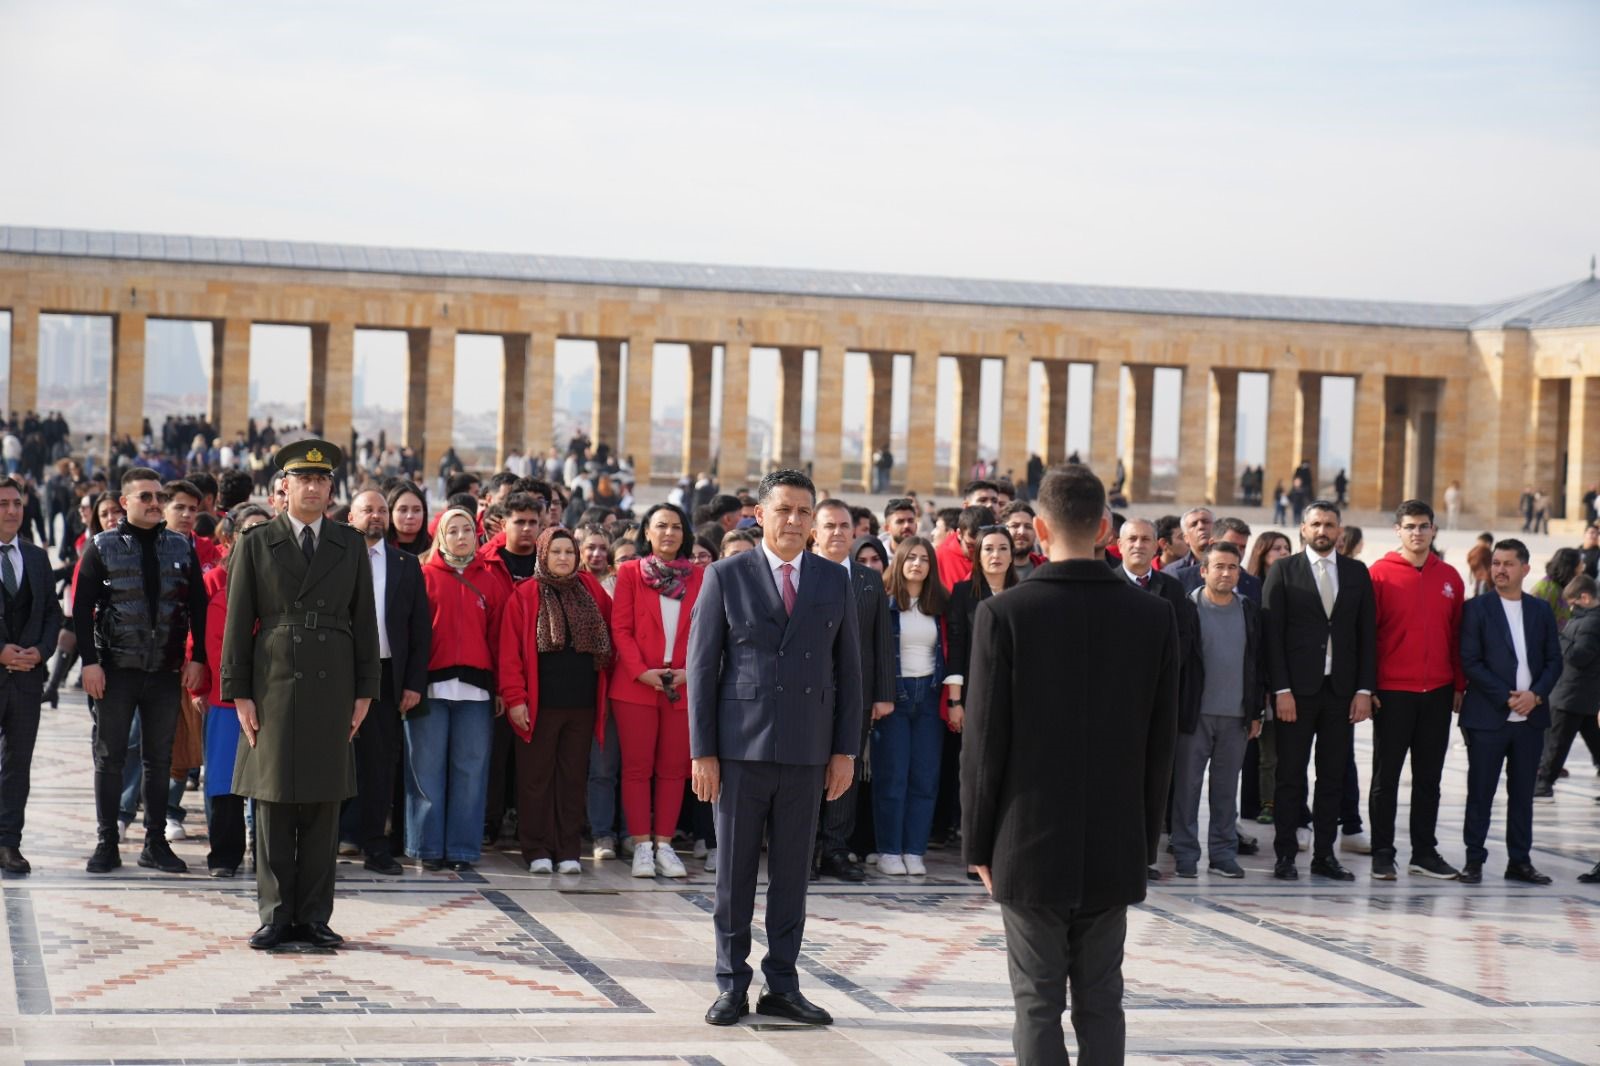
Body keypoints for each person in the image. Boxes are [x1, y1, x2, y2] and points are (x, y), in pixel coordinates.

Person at [961, 464, 1178, 1064]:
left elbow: (983, 744)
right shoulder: (1153, 616)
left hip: (1027, 841)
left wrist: (978, 845)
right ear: (1107, 528)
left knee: (1036, 1002)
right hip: (1115, 839)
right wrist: (1144, 838)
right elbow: (1162, 747)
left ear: (1036, 529)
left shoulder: (1005, 615)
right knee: (1103, 999)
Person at [687, 469, 861, 1028]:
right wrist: (703, 752)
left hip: (808, 751)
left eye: (803, 512)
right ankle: (731, 984)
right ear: (759, 515)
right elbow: (701, 668)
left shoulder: (834, 581)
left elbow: (850, 673)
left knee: (792, 875)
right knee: (733, 876)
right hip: (740, 750)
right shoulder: (725, 575)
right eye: (783, 510)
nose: (794, 521)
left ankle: (782, 983)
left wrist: (844, 751)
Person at [222, 440, 380, 949]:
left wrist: (365, 691)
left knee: (322, 802)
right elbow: (237, 622)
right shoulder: (255, 542)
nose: (313, 488)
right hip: (273, 679)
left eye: (322, 480)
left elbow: (365, 624)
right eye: (303, 480)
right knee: (271, 801)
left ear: (332, 489)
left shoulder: (348, 544)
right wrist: (239, 693)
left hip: (333, 680)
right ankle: (274, 913)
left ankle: (313, 915)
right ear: (283, 488)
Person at [76, 466, 208, 875]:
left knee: (159, 758)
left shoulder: (180, 547)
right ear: (125, 504)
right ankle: (107, 842)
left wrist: (198, 658)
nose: (155, 504)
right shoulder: (101, 546)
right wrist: (90, 664)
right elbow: (82, 610)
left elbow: (198, 607)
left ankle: (154, 842)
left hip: (166, 670)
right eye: (146, 497)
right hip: (117, 670)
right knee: (110, 756)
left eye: (158, 497)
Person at [1261, 500, 1376, 882]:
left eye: (1329, 524)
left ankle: (1325, 855)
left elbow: (1366, 636)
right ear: (1304, 529)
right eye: (1316, 524)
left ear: (1340, 530)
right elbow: (1271, 636)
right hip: (1297, 692)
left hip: (1340, 693)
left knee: (1332, 776)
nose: (1323, 531)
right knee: (1290, 775)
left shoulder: (1357, 573)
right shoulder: (1284, 570)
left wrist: (1363, 689)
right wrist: (1280, 690)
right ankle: (1285, 855)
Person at [499, 527, 614, 875]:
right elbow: (509, 655)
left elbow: (614, 627)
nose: (563, 558)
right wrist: (515, 699)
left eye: (569, 552)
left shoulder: (590, 588)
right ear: (543, 555)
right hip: (539, 706)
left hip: (582, 704)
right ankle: (536, 849)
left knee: (572, 779)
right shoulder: (525, 594)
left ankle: (567, 850)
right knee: (536, 780)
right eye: (556, 552)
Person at [1365, 501, 1465, 881]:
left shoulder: (1450, 578)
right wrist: (1368, 687)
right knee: (1385, 777)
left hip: (1437, 691)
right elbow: (1367, 636)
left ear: (1434, 530)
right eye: (1410, 526)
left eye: (1424, 526)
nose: (1417, 533)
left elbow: (1457, 635)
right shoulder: (1379, 575)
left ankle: (1424, 851)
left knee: (1429, 778)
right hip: (1392, 692)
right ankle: (1382, 852)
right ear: (1398, 530)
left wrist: (1458, 683)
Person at [408, 507, 509, 873]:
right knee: (426, 770)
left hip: (477, 691)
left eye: (468, 529)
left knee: (471, 771)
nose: (462, 536)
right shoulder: (423, 575)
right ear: (441, 536)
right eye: (454, 530)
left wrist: (501, 687)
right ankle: (427, 846)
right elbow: (412, 635)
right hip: (430, 688)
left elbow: (500, 639)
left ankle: (462, 849)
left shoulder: (491, 579)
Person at [1458, 539, 1560, 886]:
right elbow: (1470, 661)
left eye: (1508, 564)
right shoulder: (1477, 608)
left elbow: (1553, 660)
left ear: (1525, 569)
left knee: (1522, 795)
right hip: (1488, 718)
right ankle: (1474, 859)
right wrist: (1507, 697)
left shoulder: (1540, 610)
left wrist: (1535, 696)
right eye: (1496, 563)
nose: (1500, 569)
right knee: (1481, 791)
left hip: (1530, 720)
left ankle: (1520, 860)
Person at [340, 489, 430, 876]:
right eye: (367, 510)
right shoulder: (332, 559)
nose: (375, 516)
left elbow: (419, 631)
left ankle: (376, 845)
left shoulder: (406, 564)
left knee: (379, 764)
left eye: (381, 510)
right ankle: (326, 841)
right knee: (334, 762)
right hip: (337, 675)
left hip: (386, 675)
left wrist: (413, 682)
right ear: (350, 517)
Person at [610, 503, 702, 878]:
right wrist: (641, 672)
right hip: (637, 686)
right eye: (661, 526)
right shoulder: (631, 572)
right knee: (636, 768)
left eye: (676, 527)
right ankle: (641, 846)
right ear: (647, 531)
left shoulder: (700, 577)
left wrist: (688, 672)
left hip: (681, 684)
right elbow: (621, 628)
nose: (668, 533)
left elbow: (706, 631)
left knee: (672, 769)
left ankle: (665, 844)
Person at [1170, 541, 1264, 879]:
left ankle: (1223, 854)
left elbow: (1256, 663)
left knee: (1226, 791)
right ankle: (1184, 853)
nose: (1226, 573)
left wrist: (1255, 712)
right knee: (1187, 788)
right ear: (1204, 570)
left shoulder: (1249, 610)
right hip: (1194, 715)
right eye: (1219, 567)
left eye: (1233, 567)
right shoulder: (1186, 608)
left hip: (1236, 717)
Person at [810, 500, 893, 882]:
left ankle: (837, 849)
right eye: (830, 525)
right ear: (815, 530)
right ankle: (806, 849)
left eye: (845, 525)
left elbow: (880, 641)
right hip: (807, 694)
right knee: (808, 771)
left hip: (855, 696)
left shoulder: (868, 579)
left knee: (846, 769)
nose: (839, 532)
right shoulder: (800, 574)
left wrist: (883, 693)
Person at [188, 503, 272, 876]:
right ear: (233, 536)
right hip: (224, 700)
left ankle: (269, 853)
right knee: (223, 781)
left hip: (271, 698)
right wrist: (201, 686)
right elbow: (202, 641)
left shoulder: (280, 582)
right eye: (248, 530)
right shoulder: (216, 583)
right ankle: (225, 854)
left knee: (269, 781)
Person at [871, 536, 954, 877]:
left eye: (924, 559)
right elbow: (875, 653)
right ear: (900, 561)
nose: (917, 564)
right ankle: (889, 849)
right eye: (911, 558)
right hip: (896, 697)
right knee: (892, 777)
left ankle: (914, 849)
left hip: (931, 695)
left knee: (925, 778)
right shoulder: (886, 602)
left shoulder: (940, 604)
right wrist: (880, 694)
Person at [0, 477, 63, 874]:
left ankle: (8, 842)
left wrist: (40, 651)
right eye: (3, 503)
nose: (11, 510)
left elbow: (52, 613)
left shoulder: (37, 557)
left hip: (26, 680)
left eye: (17, 503)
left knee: (17, 764)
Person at [1535, 573, 1600, 798]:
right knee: (1593, 740)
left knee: (1557, 742)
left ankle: (1543, 782)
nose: (1570, 609)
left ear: (1585, 597)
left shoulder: (1592, 622)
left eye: (1572, 604)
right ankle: (1543, 780)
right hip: (1577, 692)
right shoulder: (1584, 619)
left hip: (1573, 694)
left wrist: (1559, 639)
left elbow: (1580, 656)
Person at [1531, 548, 1581, 630]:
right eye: (1580, 564)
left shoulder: (1561, 585)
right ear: (1570, 568)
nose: (1582, 567)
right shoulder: (1547, 589)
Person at [387, 482, 429, 555]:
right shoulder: (378, 551)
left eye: (416, 510)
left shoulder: (434, 551)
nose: (410, 516)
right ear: (390, 515)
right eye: (403, 510)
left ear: (424, 514)